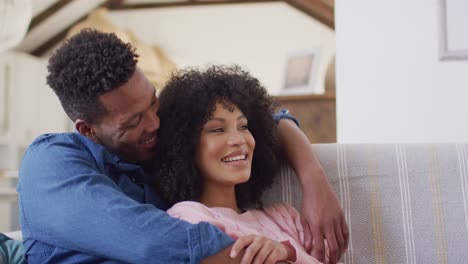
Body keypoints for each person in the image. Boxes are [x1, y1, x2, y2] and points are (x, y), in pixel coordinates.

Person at [17, 29, 348, 263]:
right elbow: (152, 241)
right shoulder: (51, 165)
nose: (154, 124)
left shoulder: (156, 146)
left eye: (153, 103)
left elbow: (266, 118)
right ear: (88, 130)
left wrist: (315, 181)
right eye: (133, 121)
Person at [155, 65, 328, 263]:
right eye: (218, 129)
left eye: (243, 126)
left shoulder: (284, 216)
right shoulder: (188, 218)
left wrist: (288, 252)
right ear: (185, 144)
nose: (238, 139)